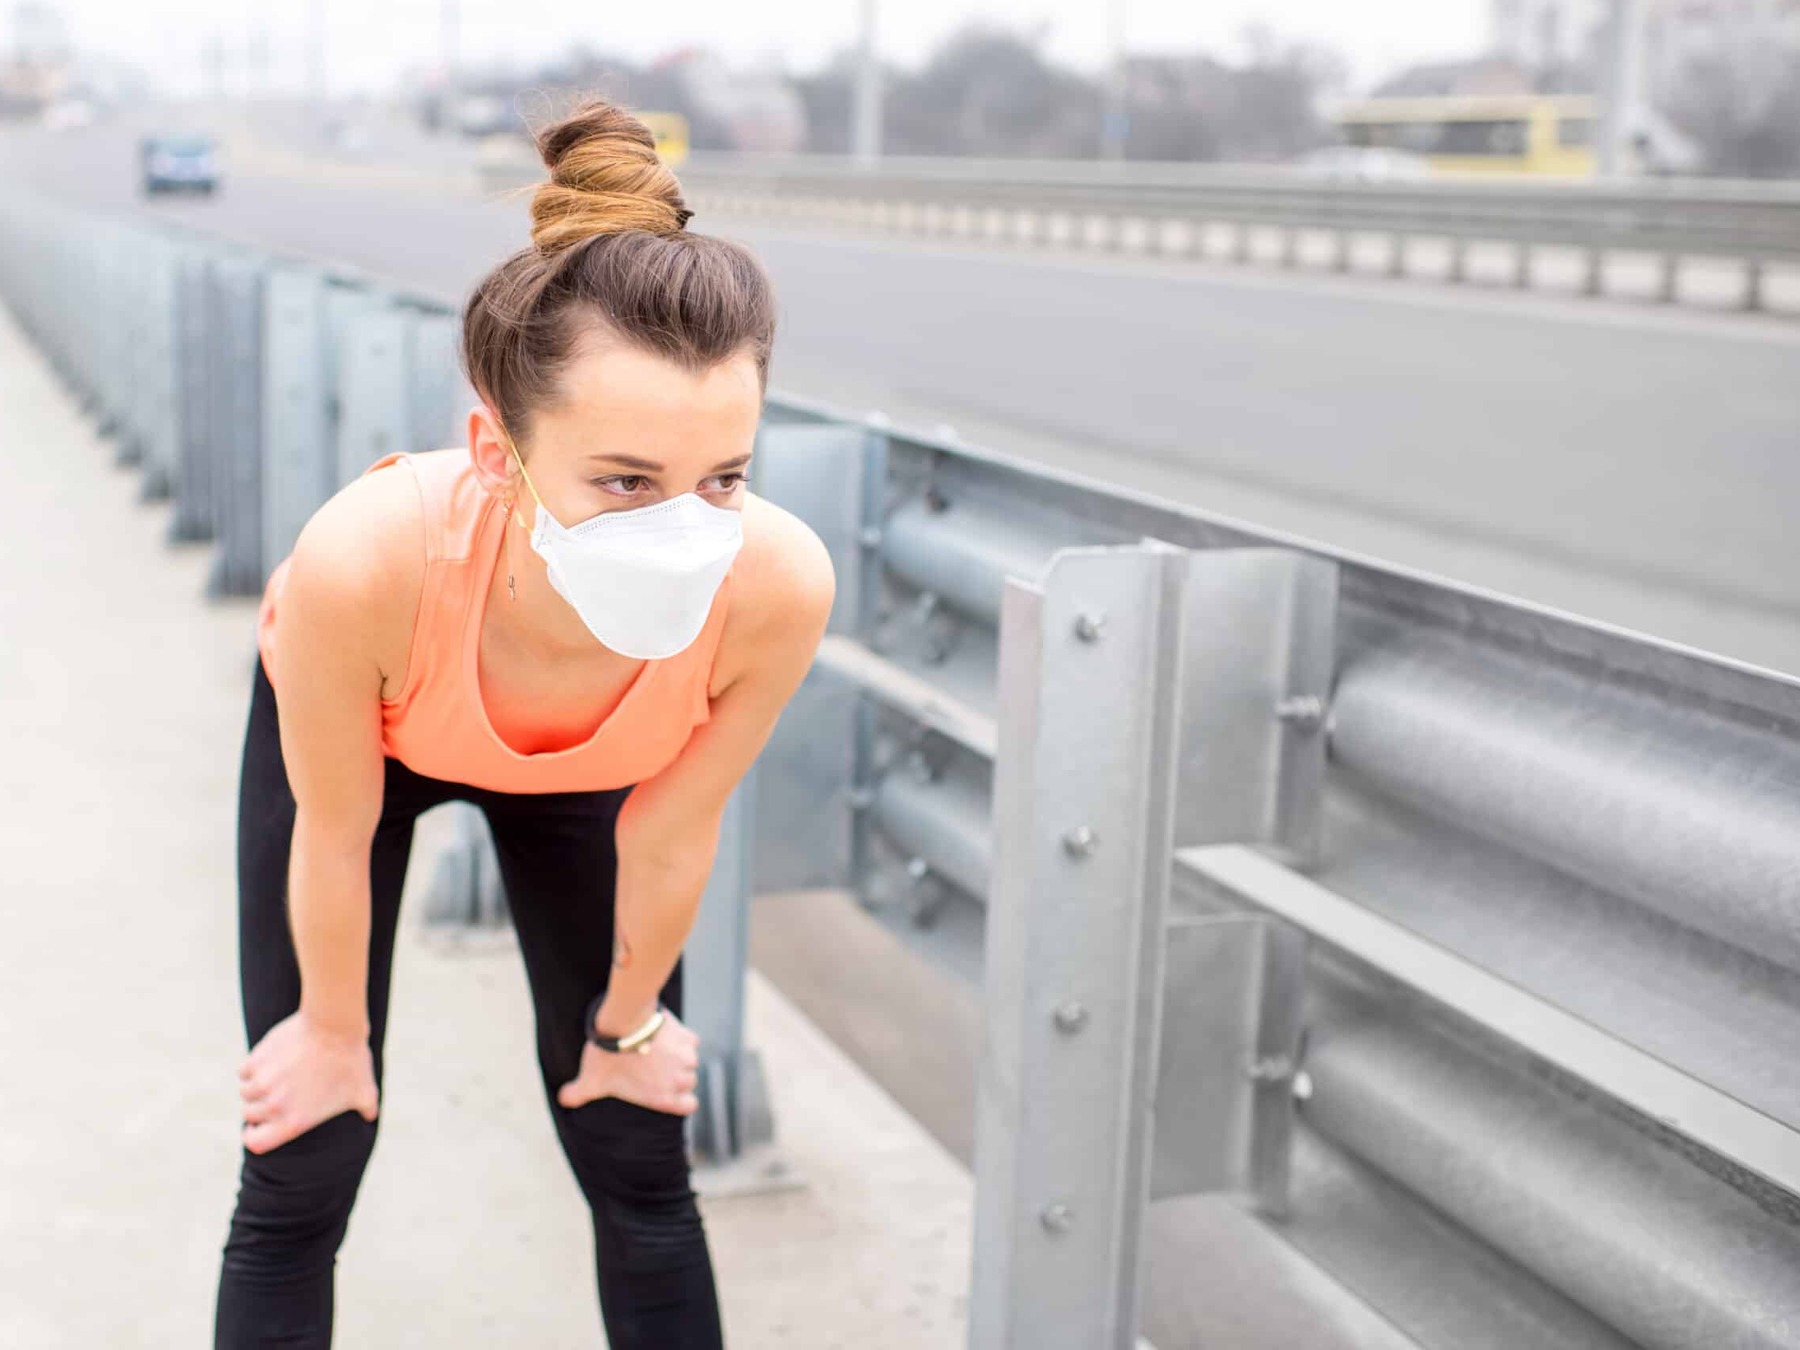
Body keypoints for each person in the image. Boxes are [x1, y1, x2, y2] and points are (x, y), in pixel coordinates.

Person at [213, 96, 836, 1349]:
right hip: (371, 749)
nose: (684, 527)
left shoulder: (774, 585)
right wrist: (330, 1032)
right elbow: (334, 832)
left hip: (585, 780)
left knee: (636, 1147)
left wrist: (630, 1025)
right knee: (306, 1149)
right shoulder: (363, 562)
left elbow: (672, 830)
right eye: (625, 481)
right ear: (497, 456)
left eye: (723, 477)